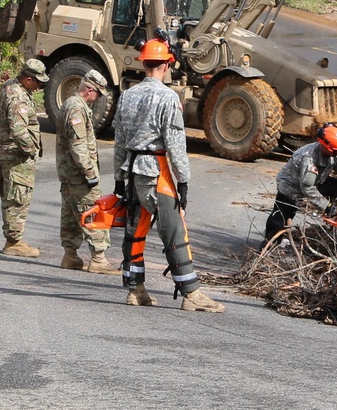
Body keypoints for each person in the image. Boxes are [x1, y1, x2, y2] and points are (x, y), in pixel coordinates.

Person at [113, 39, 224, 313]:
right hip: (155, 170)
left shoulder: (127, 95)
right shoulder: (167, 97)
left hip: (132, 171)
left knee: (136, 230)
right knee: (175, 230)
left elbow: (119, 139)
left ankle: (134, 289)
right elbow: (175, 144)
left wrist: (118, 177)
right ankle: (191, 293)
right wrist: (183, 181)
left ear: (143, 63)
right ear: (166, 65)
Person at [260, 124, 337, 250]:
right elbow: (308, 189)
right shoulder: (309, 159)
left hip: (318, 179)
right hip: (291, 185)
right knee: (282, 215)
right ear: (326, 147)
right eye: (335, 152)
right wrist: (327, 207)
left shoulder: (334, 152)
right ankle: (268, 245)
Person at [55, 69, 119, 275]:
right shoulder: (76, 108)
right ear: (90, 90)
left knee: (71, 213)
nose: (98, 98)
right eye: (98, 94)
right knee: (93, 211)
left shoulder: (71, 104)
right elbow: (78, 146)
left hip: (69, 174)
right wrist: (90, 173)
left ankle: (70, 255)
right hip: (79, 175)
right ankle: (98, 258)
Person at [0, 59, 49, 257]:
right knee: (18, 197)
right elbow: (19, 130)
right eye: (38, 82)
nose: (40, 86)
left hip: (2, 149)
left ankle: (12, 237)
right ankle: (14, 241)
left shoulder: (9, 86)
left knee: (10, 196)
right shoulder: (19, 97)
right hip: (15, 154)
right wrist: (30, 150)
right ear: (27, 79)